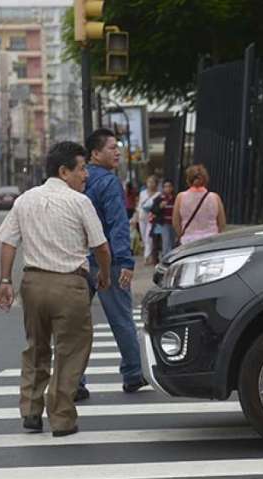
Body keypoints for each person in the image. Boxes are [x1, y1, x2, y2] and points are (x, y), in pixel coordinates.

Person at [0, 141, 112, 438]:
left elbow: (8, 242)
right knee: (71, 351)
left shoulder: (24, 200)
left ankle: (31, 411)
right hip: (69, 284)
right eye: (82, 168)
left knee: (35, 347)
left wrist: (5, 280)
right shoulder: (79, 202)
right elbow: (101, 246)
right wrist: (105, 275)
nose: (86, 175)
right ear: (64, 171)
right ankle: (61, 417)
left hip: (32, 284)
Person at [79, 128, 147, 398]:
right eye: (111, 147)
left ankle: (76, 381)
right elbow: (118, 224)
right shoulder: (109, 182)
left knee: (76, 324)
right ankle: (132, 373)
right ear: (95, 153)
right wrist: (125, 261)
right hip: (109, 259)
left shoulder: (77, 181)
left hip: (79, 260)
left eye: (117, 147)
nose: (117, 152)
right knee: (121, 319)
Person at [172, 164, 226, 245]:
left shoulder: (181, 197)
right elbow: (222, 223)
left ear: (188, 180)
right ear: (205, 179)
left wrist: (182, 234)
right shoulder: (215, 197)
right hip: (211, 240)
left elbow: (176, 222)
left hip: (188, 240)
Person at [145, 180, 176, 259]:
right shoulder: (159, 199)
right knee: (166, 242)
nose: (167, 188)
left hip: (174, 223)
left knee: (172, 242)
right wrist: (160, 207)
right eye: (165, 187)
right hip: (164, 223)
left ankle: (171, 258)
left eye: (169, 186)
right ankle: (166, 259)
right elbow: (153, 210)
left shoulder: (175, 198)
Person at [137, 175, 159, 265]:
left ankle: (146, 256)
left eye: (152, 182)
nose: (150, 184)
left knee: (148, 237)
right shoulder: (143, 193)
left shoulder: (158, 194)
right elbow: (139, 205)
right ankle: (147, 255)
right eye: (148, 182)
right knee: (143, 237)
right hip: (142, 217)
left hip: (151, 218)